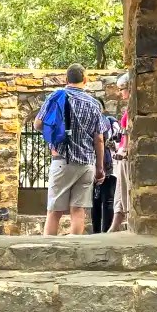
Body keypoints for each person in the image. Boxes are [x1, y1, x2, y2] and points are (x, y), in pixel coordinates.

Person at [34, 63, 108, 236]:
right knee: (78, 210)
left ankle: (47, 252)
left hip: (62, 160)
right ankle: (76, 252)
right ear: (85, 80)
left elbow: (38, 124)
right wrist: (99, 168)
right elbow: (99, 138)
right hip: (86, 164)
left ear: (66, 79)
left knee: (54, 211)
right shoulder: (94, 104)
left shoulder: (56, 96)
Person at [91, 98, 121, 235]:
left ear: (102, 108)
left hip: (107, 166)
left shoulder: (110, 121)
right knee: (96, 200)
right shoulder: (99, 122)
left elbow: (119, 141)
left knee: (106, 200)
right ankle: (99, 232)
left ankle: (103, 231)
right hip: (98, 165)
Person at [109, 72, 131, 232]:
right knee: (120, 193)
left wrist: (124, 149)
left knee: (125, 192)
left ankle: (119, 226)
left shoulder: (132, 109)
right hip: (122, 155)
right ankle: (114, 227)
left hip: (125, 156)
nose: (121, 93)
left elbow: (128, 133)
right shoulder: (130, 108)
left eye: (122, 89)